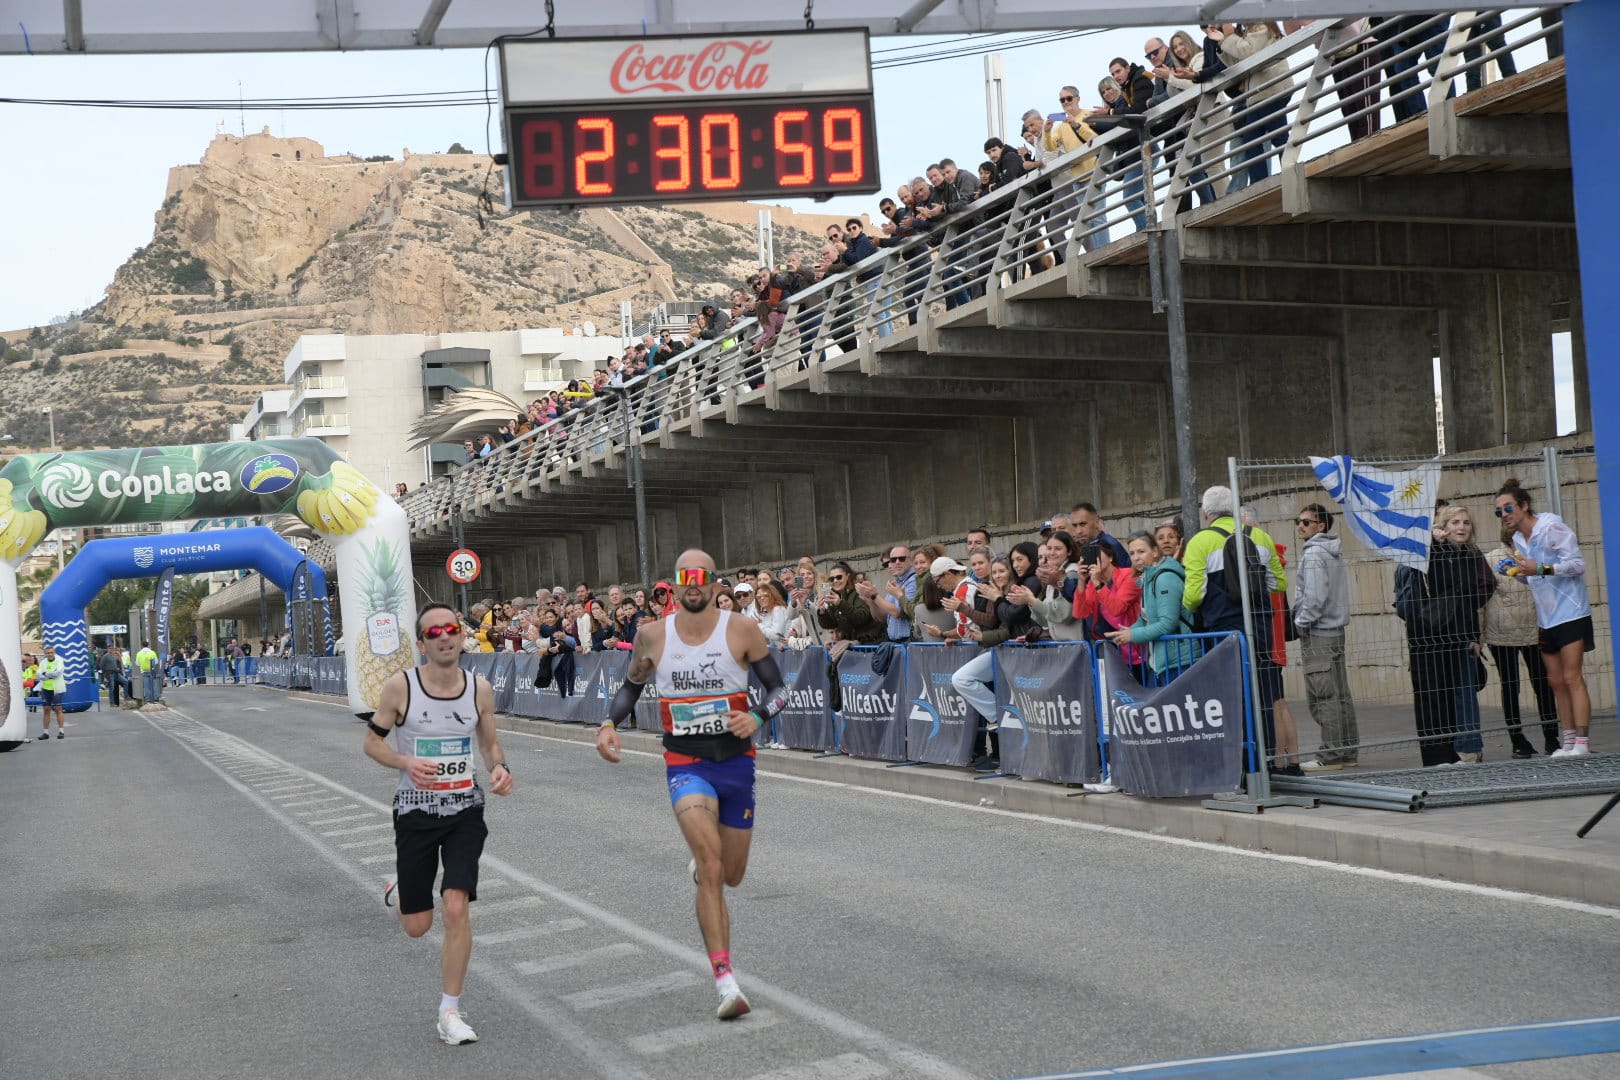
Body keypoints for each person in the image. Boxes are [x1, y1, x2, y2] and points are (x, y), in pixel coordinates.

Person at [594, 551, 792, 1022]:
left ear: (712, 582)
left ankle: (709, 868)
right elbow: (631, 688)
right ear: (675, 584)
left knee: (732, 874)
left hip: (737, 763)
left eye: (701, 577)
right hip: (686, 761)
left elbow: (780, 689)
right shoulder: (653, 635)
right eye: (685, 578)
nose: (693, 585)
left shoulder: (740, 630)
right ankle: (725, 980)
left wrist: (758, 716)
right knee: (711, 864)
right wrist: (608, 722)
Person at [367, 603, 513, 1045]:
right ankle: (400, 891)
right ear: (421, 643)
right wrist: (405, 760)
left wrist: (499, 767)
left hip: (464, 810)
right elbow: (372, 743)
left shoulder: (479, 689)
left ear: (462, 635)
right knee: (417, 926)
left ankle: (449, 1011)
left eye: (451, 629)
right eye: (434, 632)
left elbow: (489, 745)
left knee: (455, 906)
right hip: (414, 811)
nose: (445, 637)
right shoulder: (400, 687)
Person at [1496, 480, 1593, 756]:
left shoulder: (1551, 528)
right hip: (1546, 617)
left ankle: (1583, 743)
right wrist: (1517, 574)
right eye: (1499, 511)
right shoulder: (1516, 540)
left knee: (1572, 677)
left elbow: (1577, 564)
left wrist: (1541, 567)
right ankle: (1569, 740)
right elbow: (1535, 577)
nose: (1504, 515)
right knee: (1555, 680)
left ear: (1524, 506)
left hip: (1571, 612)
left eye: (1509, 508)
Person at [1482, 514, 1560, 757]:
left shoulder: (1539, 556)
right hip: (1501, 634)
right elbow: (1481, 600)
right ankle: (1517, 739)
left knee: (1543, 685)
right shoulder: (1491, 559)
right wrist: (1478, 635)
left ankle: (1552, 738)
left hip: (1534, 630)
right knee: (1510, 686)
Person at [1292, 504, 1359, 770]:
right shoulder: (1331, 551)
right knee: (1339, 694)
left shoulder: (1314, 554)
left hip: (1318, 632)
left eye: (1306, 522)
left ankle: (1330, 756)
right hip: (1334, 631)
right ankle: (1347, 752)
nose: (1300, 526)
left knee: (1324, 696)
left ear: (1321, 526)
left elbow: (1315, 598)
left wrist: (1300, 622)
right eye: (1298, 521)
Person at [1104, 532, 1194, 684]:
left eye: (1141, 551)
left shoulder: (1164, 578)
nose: (1136, 557)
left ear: (1155, 551)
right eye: (1132, 553)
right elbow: (1145, 618)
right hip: (1162, 660)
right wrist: (1126, 632)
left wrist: (1133, 635)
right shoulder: (1147, 578)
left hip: (1178, 660)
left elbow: (1168, 623)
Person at [36, 644, 66, 739]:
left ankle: (61, 731)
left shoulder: (59, 660)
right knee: (46, 710)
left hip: (57, 688)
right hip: (45, 688)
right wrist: (48, 674)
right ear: (45, 654)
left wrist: (45, 674)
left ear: (54, 653)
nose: (50, 654)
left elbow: (57, 673)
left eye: (51, 652)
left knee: (58, 709)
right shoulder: (43, 662)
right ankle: (46, 733)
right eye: (48, 653)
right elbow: (38, 674)